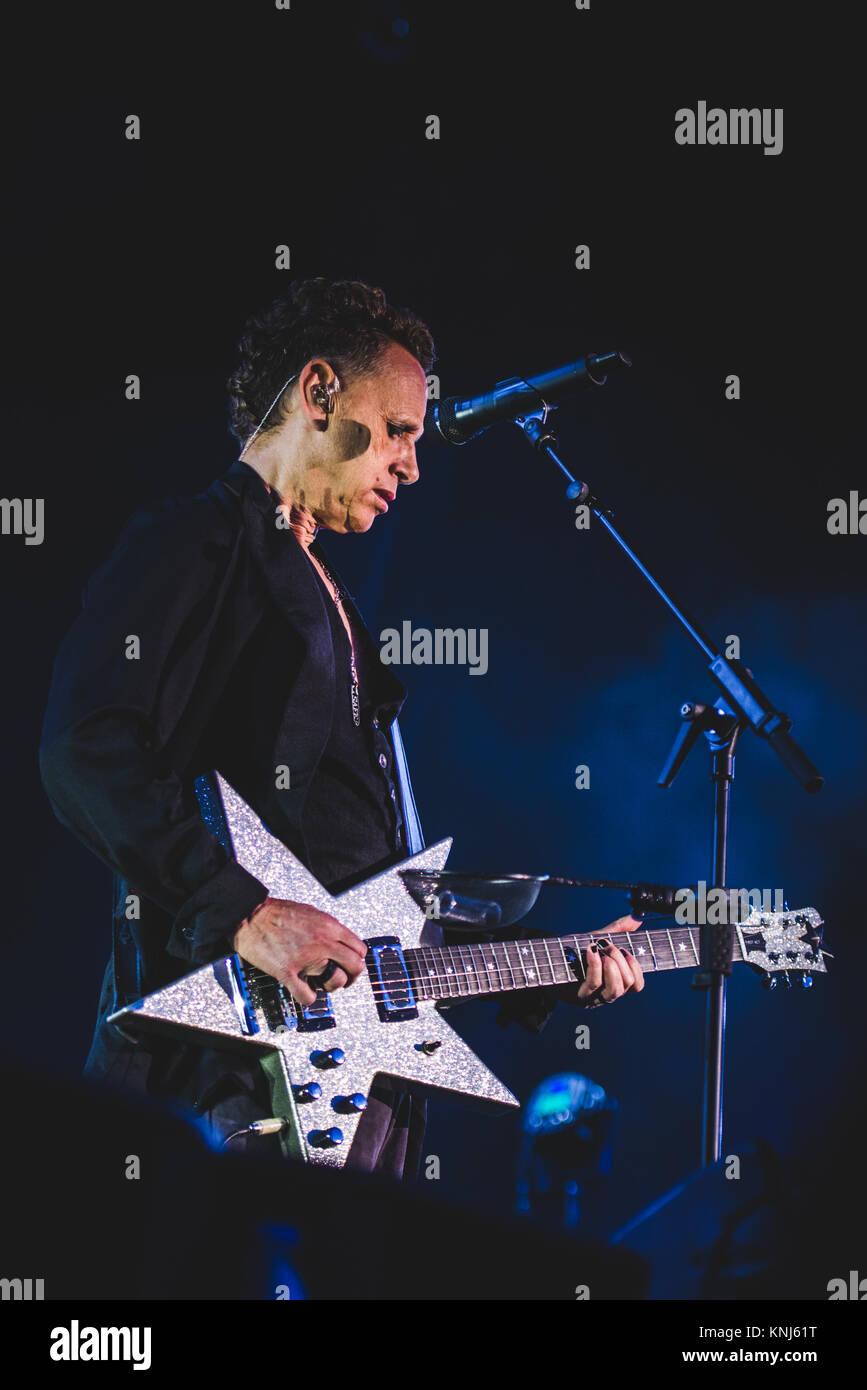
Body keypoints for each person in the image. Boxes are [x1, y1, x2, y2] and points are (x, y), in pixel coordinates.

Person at [39, 277, 643, 1182]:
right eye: (398, 429)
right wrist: (243, 911)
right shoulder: (193, 543)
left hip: (360, 1088)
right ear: (319, 391)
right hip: (229, 1075)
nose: (412, 463)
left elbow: (368, 908)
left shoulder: (339, 605)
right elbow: (85, 748)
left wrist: (549, 968)